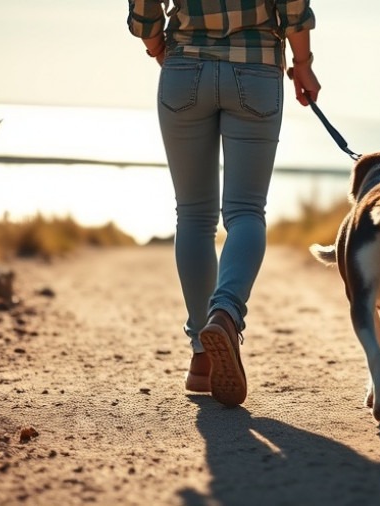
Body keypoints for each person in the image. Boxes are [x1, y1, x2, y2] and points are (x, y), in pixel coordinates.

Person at [127, 1, 320, 407]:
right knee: (246, 212)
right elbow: (294, 8)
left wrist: (156, 45)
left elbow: (144, 10)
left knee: (194, 216)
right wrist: (302, 62)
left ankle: (202, 358)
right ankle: (226, 315)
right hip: (257, 70)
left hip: (184, 68)